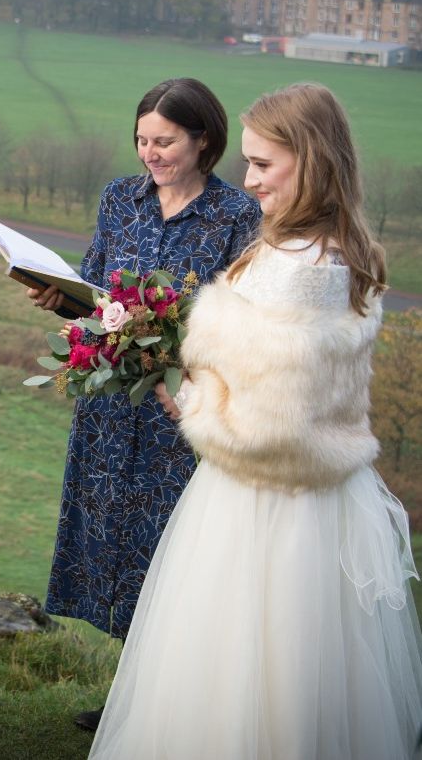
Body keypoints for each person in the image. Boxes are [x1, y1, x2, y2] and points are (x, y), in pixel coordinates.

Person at [90, 83, 422, 759]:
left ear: (312, 159)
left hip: (269, 501)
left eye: (265, 164)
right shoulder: (328, 248)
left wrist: (191, 402)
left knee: (250, 657)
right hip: (315, 493)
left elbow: (271, 424)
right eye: (249, 162)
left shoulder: (300, 268)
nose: (249, 179)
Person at [28, 78, 261, 730]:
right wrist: (60, 297)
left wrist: (178, 358)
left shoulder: (237, 216)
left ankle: (180, 704)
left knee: (172, 553)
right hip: (110, 410)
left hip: (178, 416)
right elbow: (95, 288)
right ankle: (135, 700)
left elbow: (242, 322)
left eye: (164, 141)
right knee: (114, 548)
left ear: (203, 141)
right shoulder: (119, 199)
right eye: (141, 141)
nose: (149, 154)